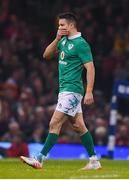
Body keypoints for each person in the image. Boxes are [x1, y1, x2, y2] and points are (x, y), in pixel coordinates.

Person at [20, 12, 102, 170]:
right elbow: (46, 55)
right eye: (59, 25)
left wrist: (89, 91)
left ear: (71, 25)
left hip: (73, 90)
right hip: (64, 90)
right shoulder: (63, 41)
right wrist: (57, 38)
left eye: (62, 25)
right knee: (79, 126)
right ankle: (94, 160)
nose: (60, 27)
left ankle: (39, 158)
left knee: (54, 123)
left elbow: (90, 67)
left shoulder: (81, 44)